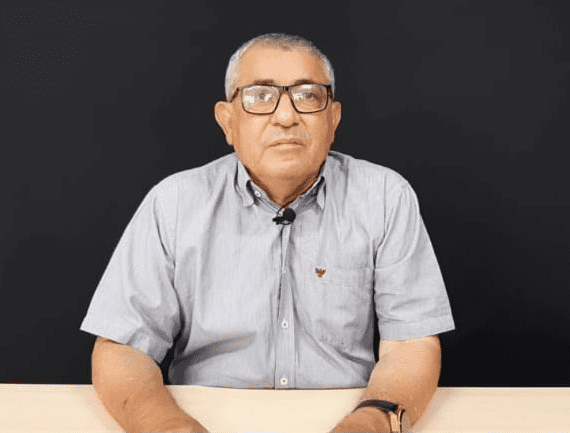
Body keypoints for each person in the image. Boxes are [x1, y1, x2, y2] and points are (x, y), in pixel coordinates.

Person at [80, 33, 455, 433]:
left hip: (347, 412)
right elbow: (122, 348)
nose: (286, 116)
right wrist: (168, 427)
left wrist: (373, 421)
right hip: (202, 414)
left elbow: (411, 343)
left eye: (308, 95)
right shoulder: (173, 203)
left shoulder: (384, 197)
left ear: (333, 118)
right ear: (228, 121)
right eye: (260, 96)